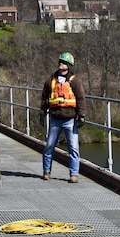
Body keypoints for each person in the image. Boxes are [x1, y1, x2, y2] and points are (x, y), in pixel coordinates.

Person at [40, 51, 86, 183]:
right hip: (55, 118)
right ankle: (46, 172)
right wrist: (42, 113)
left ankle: (74, 174)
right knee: (49, 146)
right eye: (60, 62)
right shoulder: (50, 81)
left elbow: (81, 98)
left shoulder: (74, 81)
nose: (61, 64)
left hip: (70, 119)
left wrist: (81, 115)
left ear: (69, 65)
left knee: (73, 148)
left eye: (64, 62)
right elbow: (44, 98)